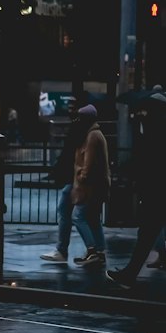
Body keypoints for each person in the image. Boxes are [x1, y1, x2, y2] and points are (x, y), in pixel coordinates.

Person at [107, 91, 166, 294]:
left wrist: (130, 173)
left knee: (149, 235)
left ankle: (130, 275)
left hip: (157, 190)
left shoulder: (157, 126)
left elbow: (147, 159)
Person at [69, 102, 110, 269]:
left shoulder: (92, 136)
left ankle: (92, 249)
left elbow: (89, 163)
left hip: (90, 187)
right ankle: (99, 252)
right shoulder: (95, 133)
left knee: (78, 217)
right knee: (93, 219)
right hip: (97, 185)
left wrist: (81, 175)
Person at [40, 108, 82, 266]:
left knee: (73, 215)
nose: (70, 109)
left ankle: (65, 250)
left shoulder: (81, 131)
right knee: (85, 217)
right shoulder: (87, 131)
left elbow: (71, 155)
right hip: (76, 178)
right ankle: (95, 250)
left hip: (76, 179)